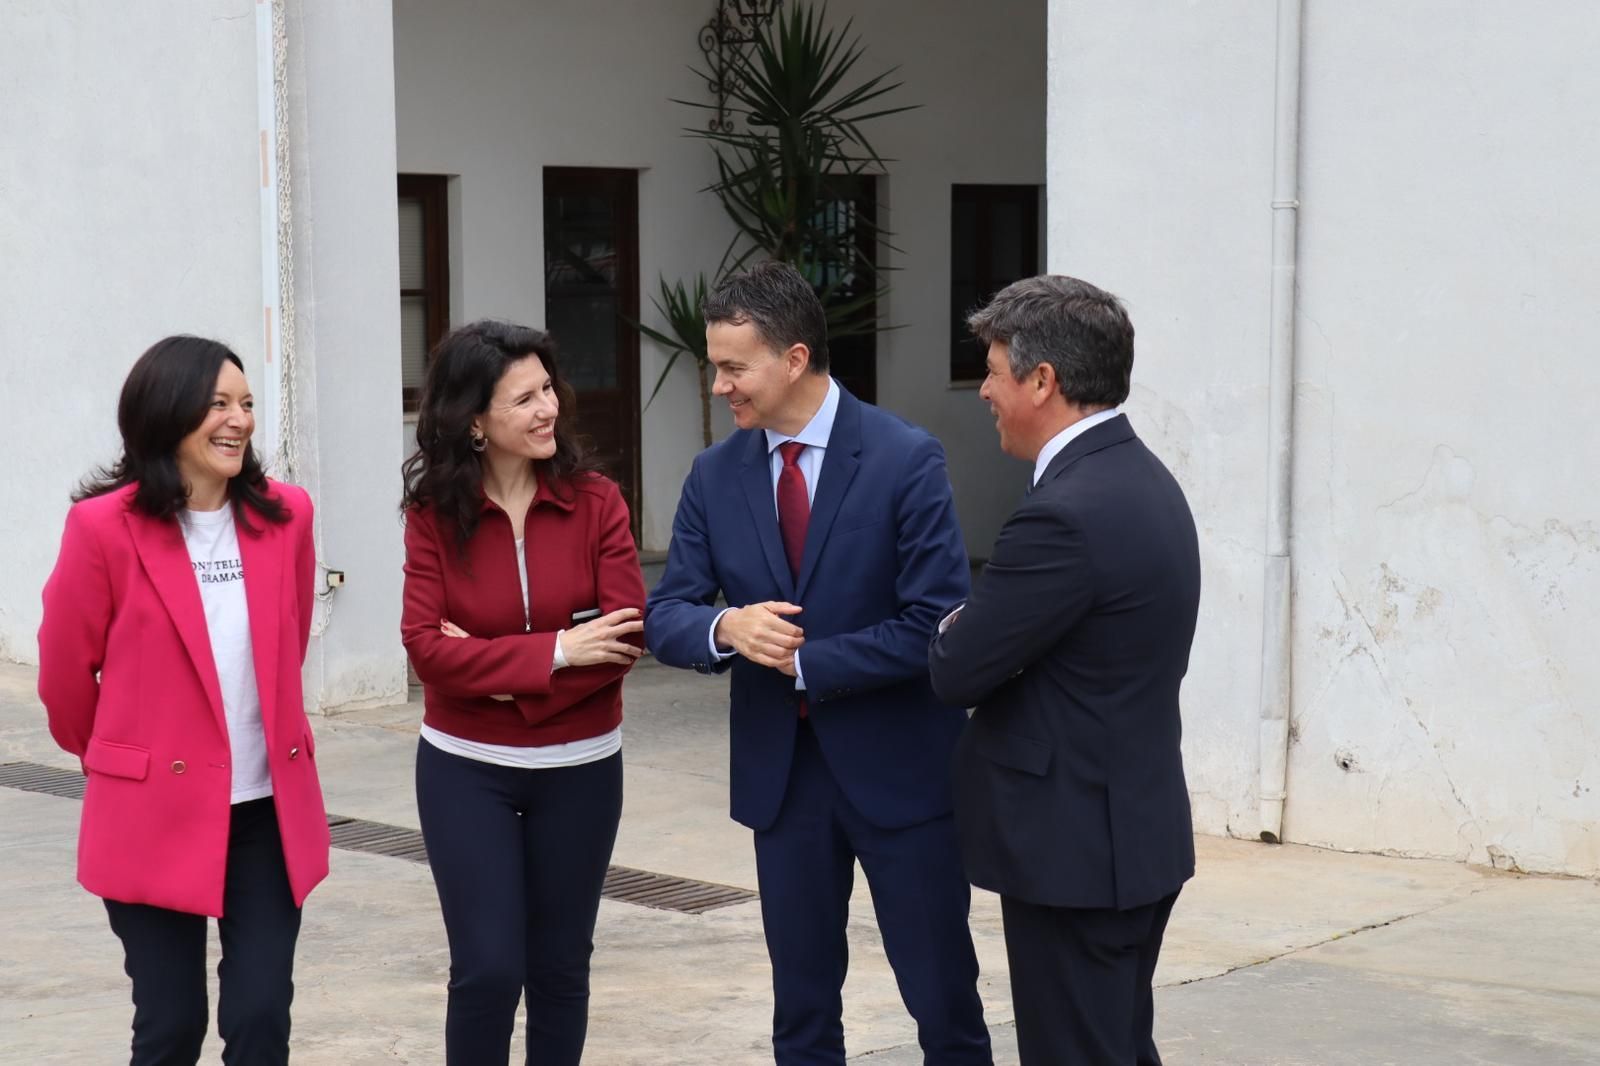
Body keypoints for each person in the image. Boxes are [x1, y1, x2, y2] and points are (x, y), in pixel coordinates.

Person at [645, 261, 991, 1065]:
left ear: (794, 359)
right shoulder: (713, 473)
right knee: (800, 1009)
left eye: (734, 366)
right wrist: (727, 626)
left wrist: (804, 662)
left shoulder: (906, 459)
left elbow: (937, 624)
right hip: (784, 781)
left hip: (902, 777)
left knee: (944, 1002)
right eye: (714, 364)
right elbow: (668, 616)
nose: (718, 384)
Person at [928, 275, 1201, 1065]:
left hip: (1076, 853)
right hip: (1125, 836)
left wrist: (962, 623)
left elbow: (957, 666)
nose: (982, 390)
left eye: (992, 369)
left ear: (1042, 380)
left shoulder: (1064, 514)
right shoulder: (1142, 478)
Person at [37, 335, 328, 1065]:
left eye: (247, 405)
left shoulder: (286, 516)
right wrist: (109, 757)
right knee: (170, 1026)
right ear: (167, 415)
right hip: (149, 811)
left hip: (263, 810)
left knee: (261, 1018)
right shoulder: (103, 528)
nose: (239, 420)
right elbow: (66, 673)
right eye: (218, 404)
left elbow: (282, 653)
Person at [399, 319, 646, 1065]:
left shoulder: (597, 501)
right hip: (464, 768)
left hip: (583, 769)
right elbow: (425, 649)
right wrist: (559, 654)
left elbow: (624, 638)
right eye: (523, 399)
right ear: (474, 421)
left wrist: (506, 672)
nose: (548, 410)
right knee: (487, 970)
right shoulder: (433, 517)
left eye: (548, 390)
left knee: (561, 968)